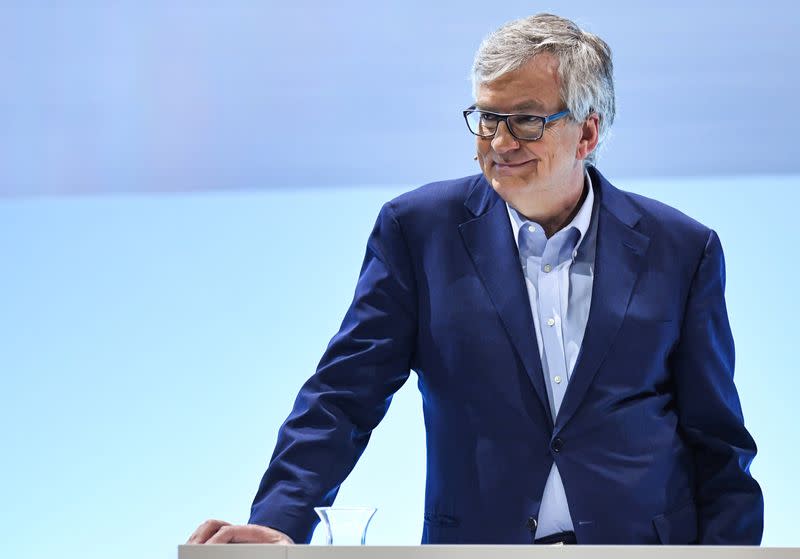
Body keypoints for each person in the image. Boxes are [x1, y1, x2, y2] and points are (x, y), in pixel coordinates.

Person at [188, 13, 763, 546]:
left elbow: (718, 443)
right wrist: (276, 525)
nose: (500, 142)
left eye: (527, 121)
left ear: (587, 134)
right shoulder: (419, 233)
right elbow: (342, 398)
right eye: (488, 118)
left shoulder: (682, 249)